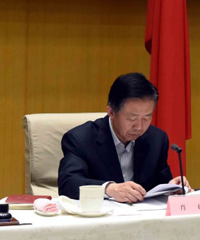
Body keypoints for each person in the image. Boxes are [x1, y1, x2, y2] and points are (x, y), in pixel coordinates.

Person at [58, 72, 190, 203]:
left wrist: (172, 187)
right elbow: (68, 184)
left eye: (146, 118)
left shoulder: (157, 139)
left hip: (143, 214)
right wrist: (109, 188)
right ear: (111, 112)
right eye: (132, 118)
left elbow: (159, 184)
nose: (139, 127)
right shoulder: (80, 139)